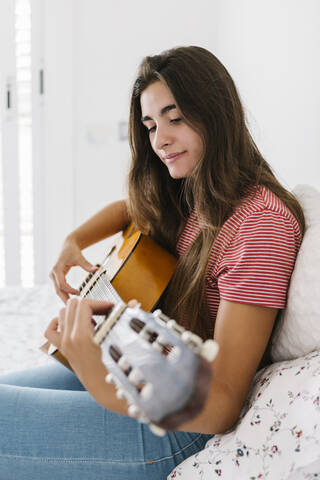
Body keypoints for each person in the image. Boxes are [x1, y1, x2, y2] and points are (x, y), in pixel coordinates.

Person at [0, 46, 304, 480]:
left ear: (216, 113)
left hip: (179, 427)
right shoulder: (200, 191)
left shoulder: (260, 227)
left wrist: (95, 374)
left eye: (175, 118)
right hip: (150, 370)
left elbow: (221, 406)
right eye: (150, 125)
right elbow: (132, 208)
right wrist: (75, 240)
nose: (159, 139)